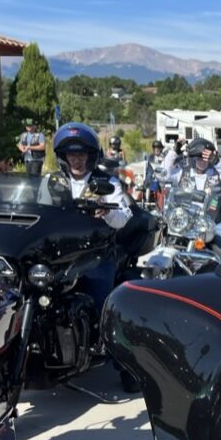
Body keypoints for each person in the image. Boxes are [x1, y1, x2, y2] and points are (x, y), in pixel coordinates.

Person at [48, 122, 132, 315]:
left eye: (81, 155)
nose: (76, 160)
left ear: (90, 156)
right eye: (71, 155)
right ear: (63, 157)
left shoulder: (108, 181)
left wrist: (107, 212)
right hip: (59, 253)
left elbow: (121, 219)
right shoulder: (51, 181)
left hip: (96, 254)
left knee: (99, 305)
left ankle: (98, 330)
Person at [162, 137, 221, 254]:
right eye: (199, 158)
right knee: (166, 243)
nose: (202, 161)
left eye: (206, 158)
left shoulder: (217, 172)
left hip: (215, 220)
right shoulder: (182, 171)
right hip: (187, 220)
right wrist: (174, 152)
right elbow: (163, 175)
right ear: (193, 158)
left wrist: (217, 162)